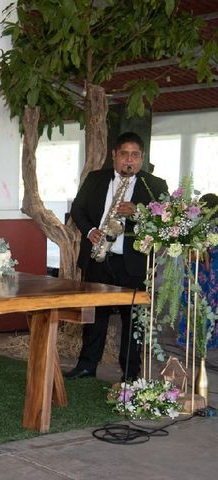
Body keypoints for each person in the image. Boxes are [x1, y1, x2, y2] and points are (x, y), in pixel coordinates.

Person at [66, 132, 169, 382]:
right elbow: (78, 209)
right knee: (94, 317)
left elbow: (165, 222)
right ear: (115, 155)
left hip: (132, 263)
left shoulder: (155, 185)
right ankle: (87, 366)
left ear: (142, 158)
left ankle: (130, 374)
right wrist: (90, 231)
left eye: (135, 155)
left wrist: (138, 213)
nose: (129, 160)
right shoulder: (95, 178)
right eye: (124, 154)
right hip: (98, 258)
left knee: (133, 320)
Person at [178, 193, 218, 349]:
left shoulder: (198, 226)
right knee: (208, 304)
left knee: (194, 302)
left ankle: (190, 335)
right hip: (209, 270)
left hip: (199, 269)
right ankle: (207, 337)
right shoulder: (208, 227)